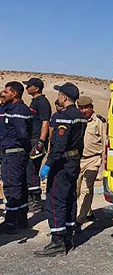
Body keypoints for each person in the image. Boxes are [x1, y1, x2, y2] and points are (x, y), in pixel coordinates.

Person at [35, 83, 87, 256]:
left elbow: (59, 144)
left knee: (55, 199)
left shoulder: (61, 117)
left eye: (59, 94)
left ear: (64, 97)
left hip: (62, 163)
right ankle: (68, 236)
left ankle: (57, 239)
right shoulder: (80, 116)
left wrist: (48, 164)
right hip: (74, 161)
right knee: (70, 198)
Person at [0, 82, 33, 233]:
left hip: (14, 153)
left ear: (14, 94)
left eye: (6, 92)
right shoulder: (13, 108)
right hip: (15, 152)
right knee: (19, 185)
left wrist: (26, 149)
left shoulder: (18, 110)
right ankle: (21, 219)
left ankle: (11, 222)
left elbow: (22, 133)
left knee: (12, 186)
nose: (3, 94)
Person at [75, 96, 106, 230]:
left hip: (92, 159)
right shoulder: (77, 121)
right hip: (77, 160)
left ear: (91, 107)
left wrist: (103, 168)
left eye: (86, 108)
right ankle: (87, 212)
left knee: (86, 190)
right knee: (75, 191)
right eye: (80, 108)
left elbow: (106, 144)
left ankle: (78, 221)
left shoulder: (99, 122)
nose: (83, 111)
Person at [23, 77, 51, 212]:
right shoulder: (34, 102)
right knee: (28, 170)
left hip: (37, 141)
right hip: (32, 139)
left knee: (32, 169)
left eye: (29, 86)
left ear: (36, 88)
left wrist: (41, 142)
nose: (27, 88)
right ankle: (30, 199)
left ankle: (36, 202)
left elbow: (45, 123)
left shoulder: (42, 103)